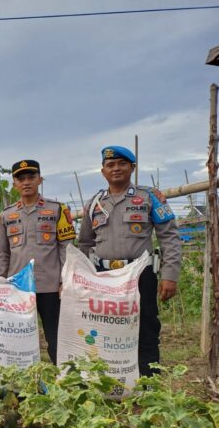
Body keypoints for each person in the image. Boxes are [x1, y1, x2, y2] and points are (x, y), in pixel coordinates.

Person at [78, 145, 182, 377]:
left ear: (132, 168)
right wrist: (84, 277)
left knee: (145, 325)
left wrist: (169, 275)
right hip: (103, 277)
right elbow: (85, 242)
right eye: (110, 165)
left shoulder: (150, 197)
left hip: (139, 274)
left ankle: (147, 381)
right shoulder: (95, 203)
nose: (116, 169)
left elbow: (169, 236)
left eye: (122, 164)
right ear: (103, 171)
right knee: (107, 327)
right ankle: (112, 377)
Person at [0, 160, 76, 364]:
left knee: (56, 337)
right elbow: (2, 253)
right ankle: (22, 385)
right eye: (21, 179)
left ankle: (63, 379)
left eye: (31, 177)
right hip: (18, 288)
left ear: (40, 179)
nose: (26, 182)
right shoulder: (6, 215)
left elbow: (67, 248)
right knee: (18, 339)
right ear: (14, 184)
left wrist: (66, 280)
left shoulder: (57, 210)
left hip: (50, 286)